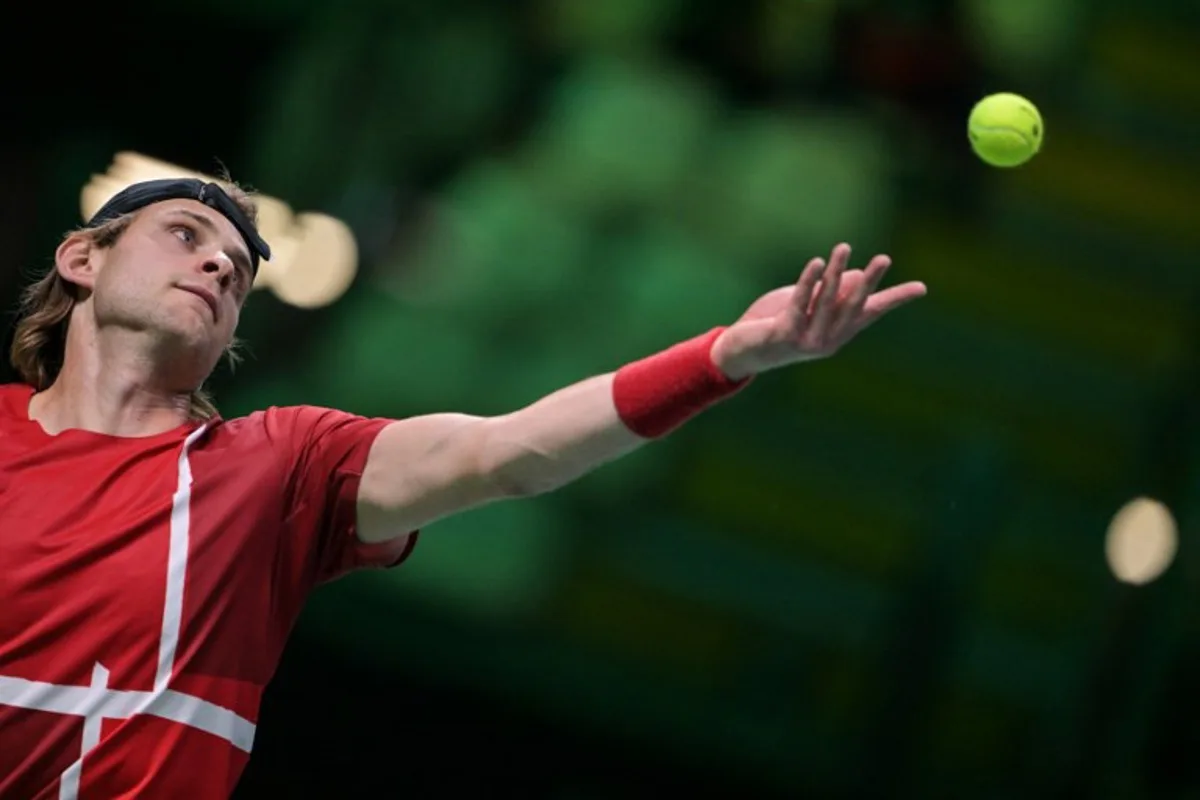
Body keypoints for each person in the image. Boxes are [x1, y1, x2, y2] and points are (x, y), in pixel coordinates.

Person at [0, 177, 926, 799]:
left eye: (236, 273)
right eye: (186, 236)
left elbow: (512, 453)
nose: (216, 264)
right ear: (84, 260)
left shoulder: (275, 467)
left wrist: (725, 356)